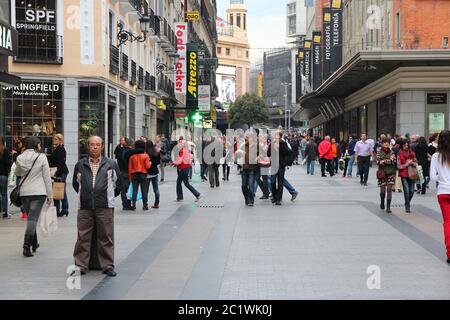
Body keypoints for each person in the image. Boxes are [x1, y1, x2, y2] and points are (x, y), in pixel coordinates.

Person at [72, 136, 121, 276]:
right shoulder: (80, 164)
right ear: (88, 146)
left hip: (104, 206)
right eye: (92, 144)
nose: (94, 147)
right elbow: (76, 185)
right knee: (82, 237)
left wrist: (107, 196)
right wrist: (86, 196)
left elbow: (119, 185)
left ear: (102, 147)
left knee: (106, 237)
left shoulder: (111, 164)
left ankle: (107, 266)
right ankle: (80, 266)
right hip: (85, 207)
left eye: (97, 145)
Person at [15, 137, 53, 257]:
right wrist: (50, 194)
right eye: (39, 145)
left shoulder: (20, 157)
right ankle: (26, 247)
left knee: (31, 218)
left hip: (25, 192)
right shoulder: (41, 157)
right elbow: (47, 177)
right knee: (32, 219)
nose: (40, 147)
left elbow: (17, 173)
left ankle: (34, 243)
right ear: (36, 145)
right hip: (39, 192)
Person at [429, 130, 450, 264]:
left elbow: (432, 177)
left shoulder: (436, 156)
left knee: (447, 222)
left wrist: (442, 179)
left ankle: (449, 252)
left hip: (443, 192)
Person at [172, 137, 201, 202]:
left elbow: (180, 160)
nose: (179, 145)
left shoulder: (182, 150)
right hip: (186, 167)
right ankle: (180, 197)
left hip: (183, 168)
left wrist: (174, 163)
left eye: (180, 143)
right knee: (179, 182)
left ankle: (197, 194)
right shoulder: (186, 150)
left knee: (186, 183)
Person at [49, 134, 69, 217]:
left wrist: (58, 175)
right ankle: (60, 209)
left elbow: (61, 162)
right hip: (58, 172)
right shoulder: (57, 148)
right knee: (59, 190)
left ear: (60, 140)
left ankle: (63, 209)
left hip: (60, 172)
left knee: (60, 190)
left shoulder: (60, 149)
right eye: (54, 138)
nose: (54, 140)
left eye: (56, 139)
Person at [128, 140, 151, 210]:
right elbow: (147, 166)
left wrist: (130, 178)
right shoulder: (146, 155)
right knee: (144, 190)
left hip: (134, 174)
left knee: (134, 190)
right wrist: (150, 163)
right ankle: (145, 205)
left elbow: (130, 168)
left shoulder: (132, 156)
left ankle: (133, 205)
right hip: (143, 174)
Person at [268, 131, 289, 205]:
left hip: (281, 165)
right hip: (274, 165)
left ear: (280, 137)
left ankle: (279, 199)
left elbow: (286, 152)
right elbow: (268, 153)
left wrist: (279, 147)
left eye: (278, 137)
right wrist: (271, 147)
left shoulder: (284, 143)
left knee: (280, 183)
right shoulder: (272, 143)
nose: (276, 138)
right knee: (272, 182)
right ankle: (274, 196)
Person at [377, 137, 397, 214]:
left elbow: (394, 162)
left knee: (389, 189)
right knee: (382, 191)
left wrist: (384, 161)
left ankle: (388, 207)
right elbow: (378, 162)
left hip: (391, 173)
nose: (386, 144)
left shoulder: (392, 152)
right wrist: (388, 160)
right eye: (384, 142)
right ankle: (382, 201)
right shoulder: (379, 152)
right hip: (382, 173)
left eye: (387, 142)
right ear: (382, 143)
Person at [237, 133, 258, 206]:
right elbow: (238, 157)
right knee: (244, 186)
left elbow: (263, 154)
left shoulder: (256, 146)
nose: (246, 139)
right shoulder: (243, 146)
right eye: (245, 137)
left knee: (251, 185)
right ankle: (246, 198)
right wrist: (239, 154)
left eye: (247, 137)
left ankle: (251, 200)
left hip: (252, 168)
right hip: (244, 168)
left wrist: (258, 157)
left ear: (252, 138)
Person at [397, 140, 418, 213]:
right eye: (404, 145)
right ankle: (407, 206)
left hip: (412, 174)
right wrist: (407, 164)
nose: (406, 147)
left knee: (412, 191)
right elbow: (399, 166)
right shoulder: (399, 154)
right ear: (402, 146)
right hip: (404, 174)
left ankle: (407, 203)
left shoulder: (412, 153)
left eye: (407, 145)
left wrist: (412, 163)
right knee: (406, 190)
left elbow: (416, 163)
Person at [114, 137, 132, 210]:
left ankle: (127, 203)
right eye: (120, 140)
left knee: (127, 188)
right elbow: (116, 155)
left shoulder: (129, 149)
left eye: (123, 140)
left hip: (127, 170)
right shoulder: (118, 147)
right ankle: (125, 204)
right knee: (124, 188)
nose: (121, 141)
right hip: (122, 170)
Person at [146, 140, 161, 209]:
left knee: (145, 190)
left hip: (147, 173)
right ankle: (157, 203)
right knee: (156, 189)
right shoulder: (156, 152)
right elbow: (158, 162)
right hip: (155, 172)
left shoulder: (145, 153)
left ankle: (145, 204)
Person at [0, 136, 12, 219]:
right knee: (4, 194)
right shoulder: (5, 150)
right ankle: (5, 213)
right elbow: (8, 163)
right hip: (3, 175)